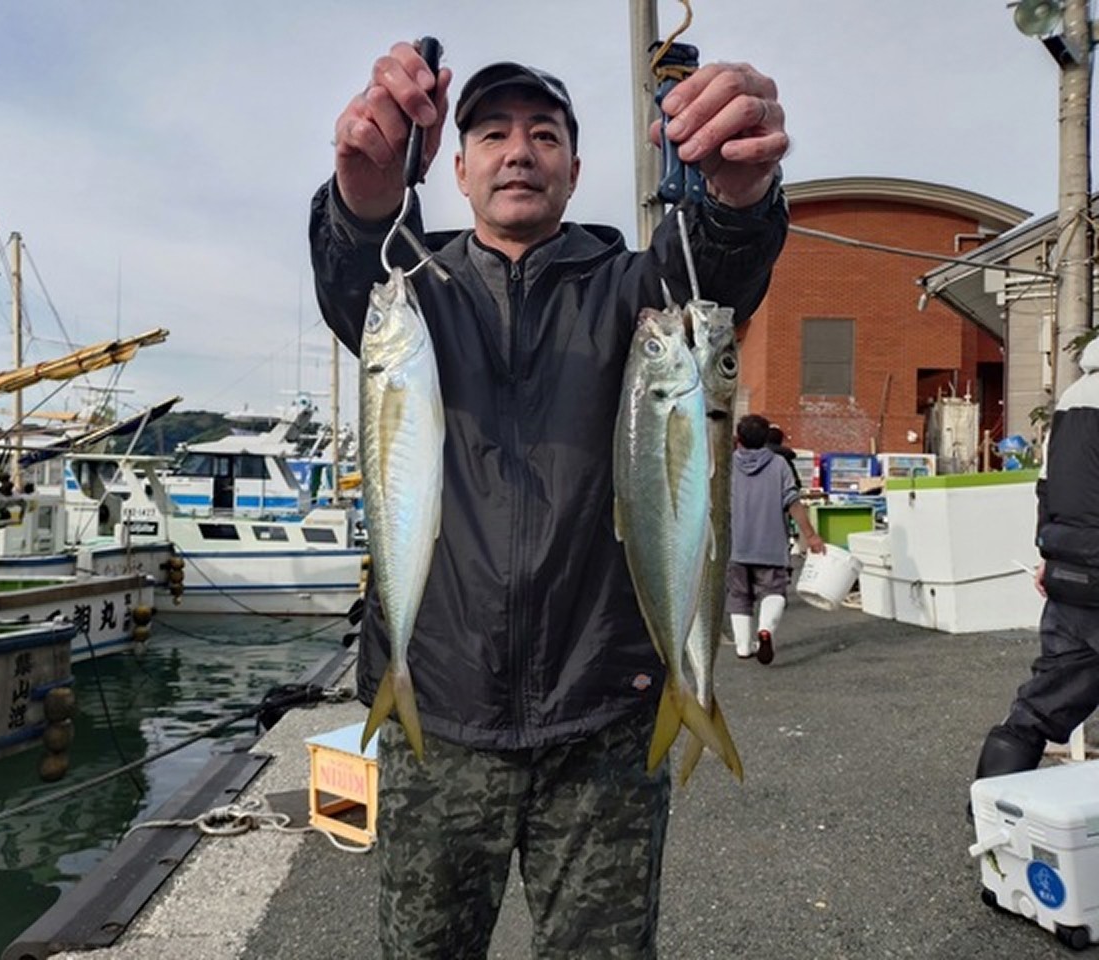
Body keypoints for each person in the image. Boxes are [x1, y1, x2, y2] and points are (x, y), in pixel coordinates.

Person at [310, 40, 788, 959]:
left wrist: (742, 196)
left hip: (605, 720)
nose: (518, 151)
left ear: (576, 168)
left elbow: (722, 267)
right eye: (491, 133)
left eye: (543, 135)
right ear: (454, 168)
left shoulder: (637, 294)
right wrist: (363, 199)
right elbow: (349, 265)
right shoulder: (411, 296)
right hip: (438, 722)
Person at [973, 338, 1099, 782]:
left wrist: (1046, 555)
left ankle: (991, 815)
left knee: (1044, 701)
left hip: (1070, 574)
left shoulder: (1074, 396)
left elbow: (1047, 485)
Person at [728, 413, 825, 664]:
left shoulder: (727, 465)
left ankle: (742, 646)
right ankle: (765, 631)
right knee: (774, 591)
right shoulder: (779, 464)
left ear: (739, 439)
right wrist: (811, 536)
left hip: (735, 545)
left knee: (739, 596)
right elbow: (793, 502)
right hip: (770, 544)